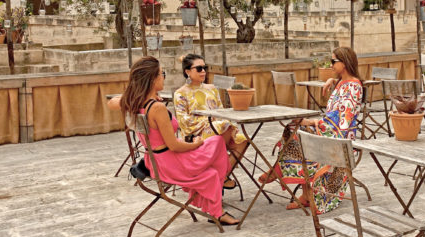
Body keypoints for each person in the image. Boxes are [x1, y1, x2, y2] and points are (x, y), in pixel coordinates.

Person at [107, 56, 238, 226]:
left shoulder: (138, 103)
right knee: (215, 153)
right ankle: (217, 208)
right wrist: (196, 144)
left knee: (216, 142)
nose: (164, 77)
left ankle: (214, 199)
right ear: (152, 79)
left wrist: (139, 96)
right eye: (162, 73)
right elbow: (174, 145)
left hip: (155, 161)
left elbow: (111, 103)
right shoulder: (157, 108)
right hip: (170, 164)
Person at [261, 46, 364, 213]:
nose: (330, 65)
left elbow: (342, 122)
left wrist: (312, 122)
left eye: (333, 61)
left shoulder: (354, 86)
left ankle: (283, 174)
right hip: (329, 129)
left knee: (299, 134)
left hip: (340, 136)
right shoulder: (341, 83)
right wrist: (332, 81)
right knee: (294, 128)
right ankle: (303, 192)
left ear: (344, 63)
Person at [173, 53, 248, 190]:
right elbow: (184, 122)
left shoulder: (212, 89)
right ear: (187, 71)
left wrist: (219, 121)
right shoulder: (180, 93)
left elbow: (221, 111)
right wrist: (211, 122)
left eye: (205, 67)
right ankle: (219, 177)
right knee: (223, 126)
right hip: (195, 134)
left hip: (219, 129)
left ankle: (221, 176)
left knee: (243, 140)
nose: (203, 71)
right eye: (199, 68)